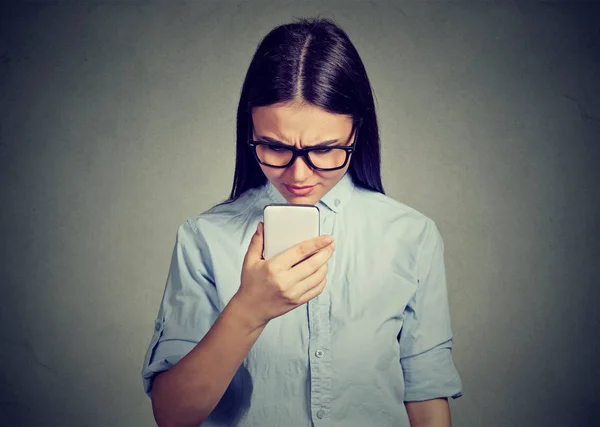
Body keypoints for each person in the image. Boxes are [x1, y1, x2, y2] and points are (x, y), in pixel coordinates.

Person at [141, 17, 462, 427]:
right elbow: (171, 416)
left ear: (356, 133)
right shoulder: (204, 238)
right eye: (274, 147)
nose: (299, 175)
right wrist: (248, 310)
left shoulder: (410, 235)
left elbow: (426, 396)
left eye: (325, 149)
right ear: (250, 132)